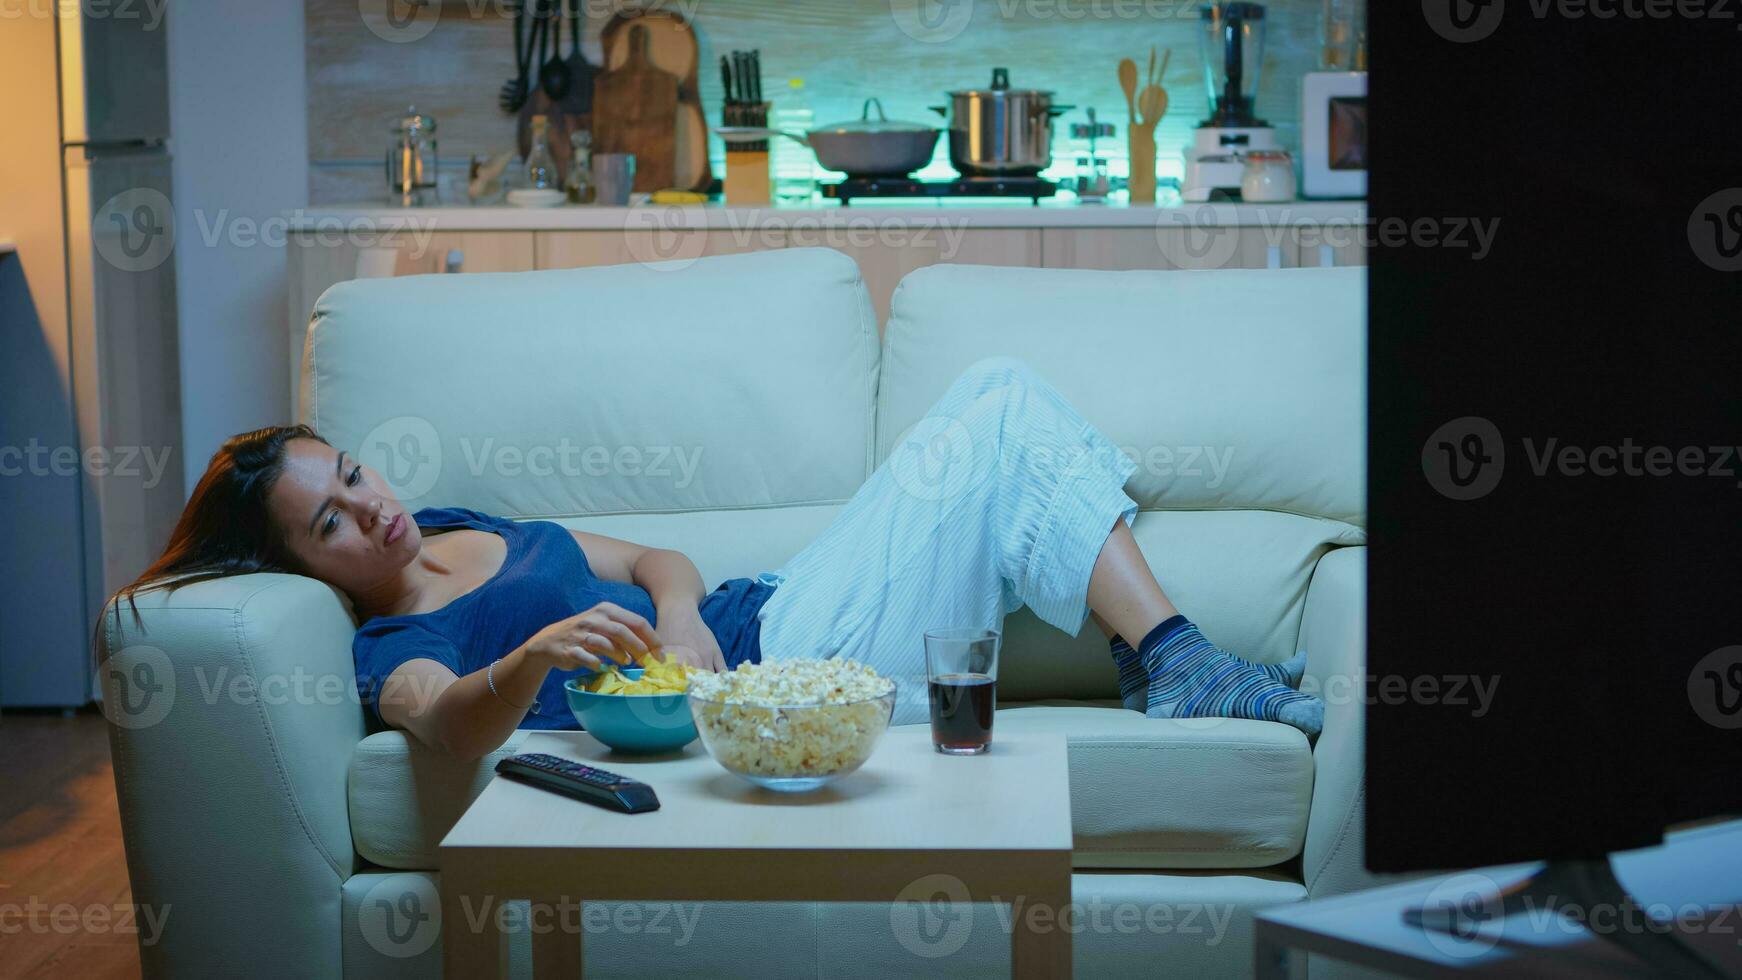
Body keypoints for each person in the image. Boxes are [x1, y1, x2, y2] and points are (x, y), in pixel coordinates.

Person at [114, 358, 1323, 759]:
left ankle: (1169, 661)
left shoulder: (449, 520)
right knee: (998, 406)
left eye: (354, 474)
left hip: (774, 613)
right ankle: (1174, 660)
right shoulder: (395, 640)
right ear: (303, 569)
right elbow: (438, 724)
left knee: (994, 399)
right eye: (327, 520)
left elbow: (653, 554)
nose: (368, 508)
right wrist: (534, 655)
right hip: (779, 684)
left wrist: (681, 610)